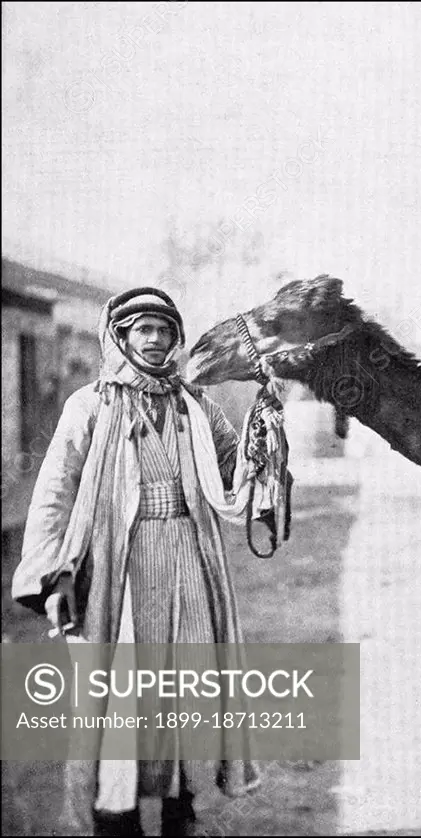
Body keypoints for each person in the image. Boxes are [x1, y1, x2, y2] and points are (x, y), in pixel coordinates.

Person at [12, 287, 259, 836]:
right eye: (142, 330)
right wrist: (52, 576)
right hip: (117, 567)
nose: (154, 340)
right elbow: (55, 492)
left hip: (190, 557)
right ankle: (114, 815)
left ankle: (181, 804)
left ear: (175, 339)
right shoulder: (90, 405)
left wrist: (264, 440)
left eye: (164, 330)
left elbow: (237, 464)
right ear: (120, 338)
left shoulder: (195, 405)